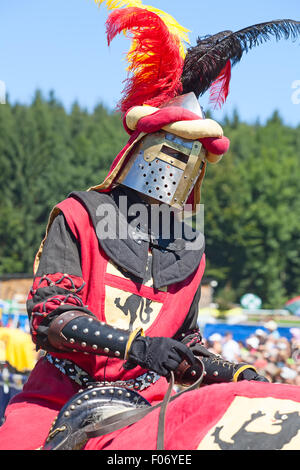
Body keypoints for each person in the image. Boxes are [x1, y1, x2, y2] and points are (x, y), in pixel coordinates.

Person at [1, 2, 299, 451]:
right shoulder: (79, 215)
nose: (178, 167)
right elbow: (52, 318)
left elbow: (185, 344)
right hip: (60, 396)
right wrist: (137, 346)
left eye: (192, 156)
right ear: (143, 146)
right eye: (172, 149)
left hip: (150, 402)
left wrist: (234, 372)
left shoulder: (189, 244)